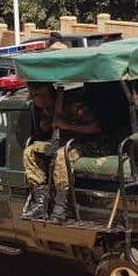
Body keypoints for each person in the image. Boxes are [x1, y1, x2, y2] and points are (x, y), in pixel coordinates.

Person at [21, 84, 105, 222]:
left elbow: (96, 127)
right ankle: (41, 202)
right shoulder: (46, 109)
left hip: (85, 144)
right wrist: (47, 125)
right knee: (31, 152)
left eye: (33, 96)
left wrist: (66, 125)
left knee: (61, 156)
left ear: (42, 96)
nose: (33, 101)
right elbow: (47, 128)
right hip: (61, 142)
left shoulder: (74, 106)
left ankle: (62, 205)